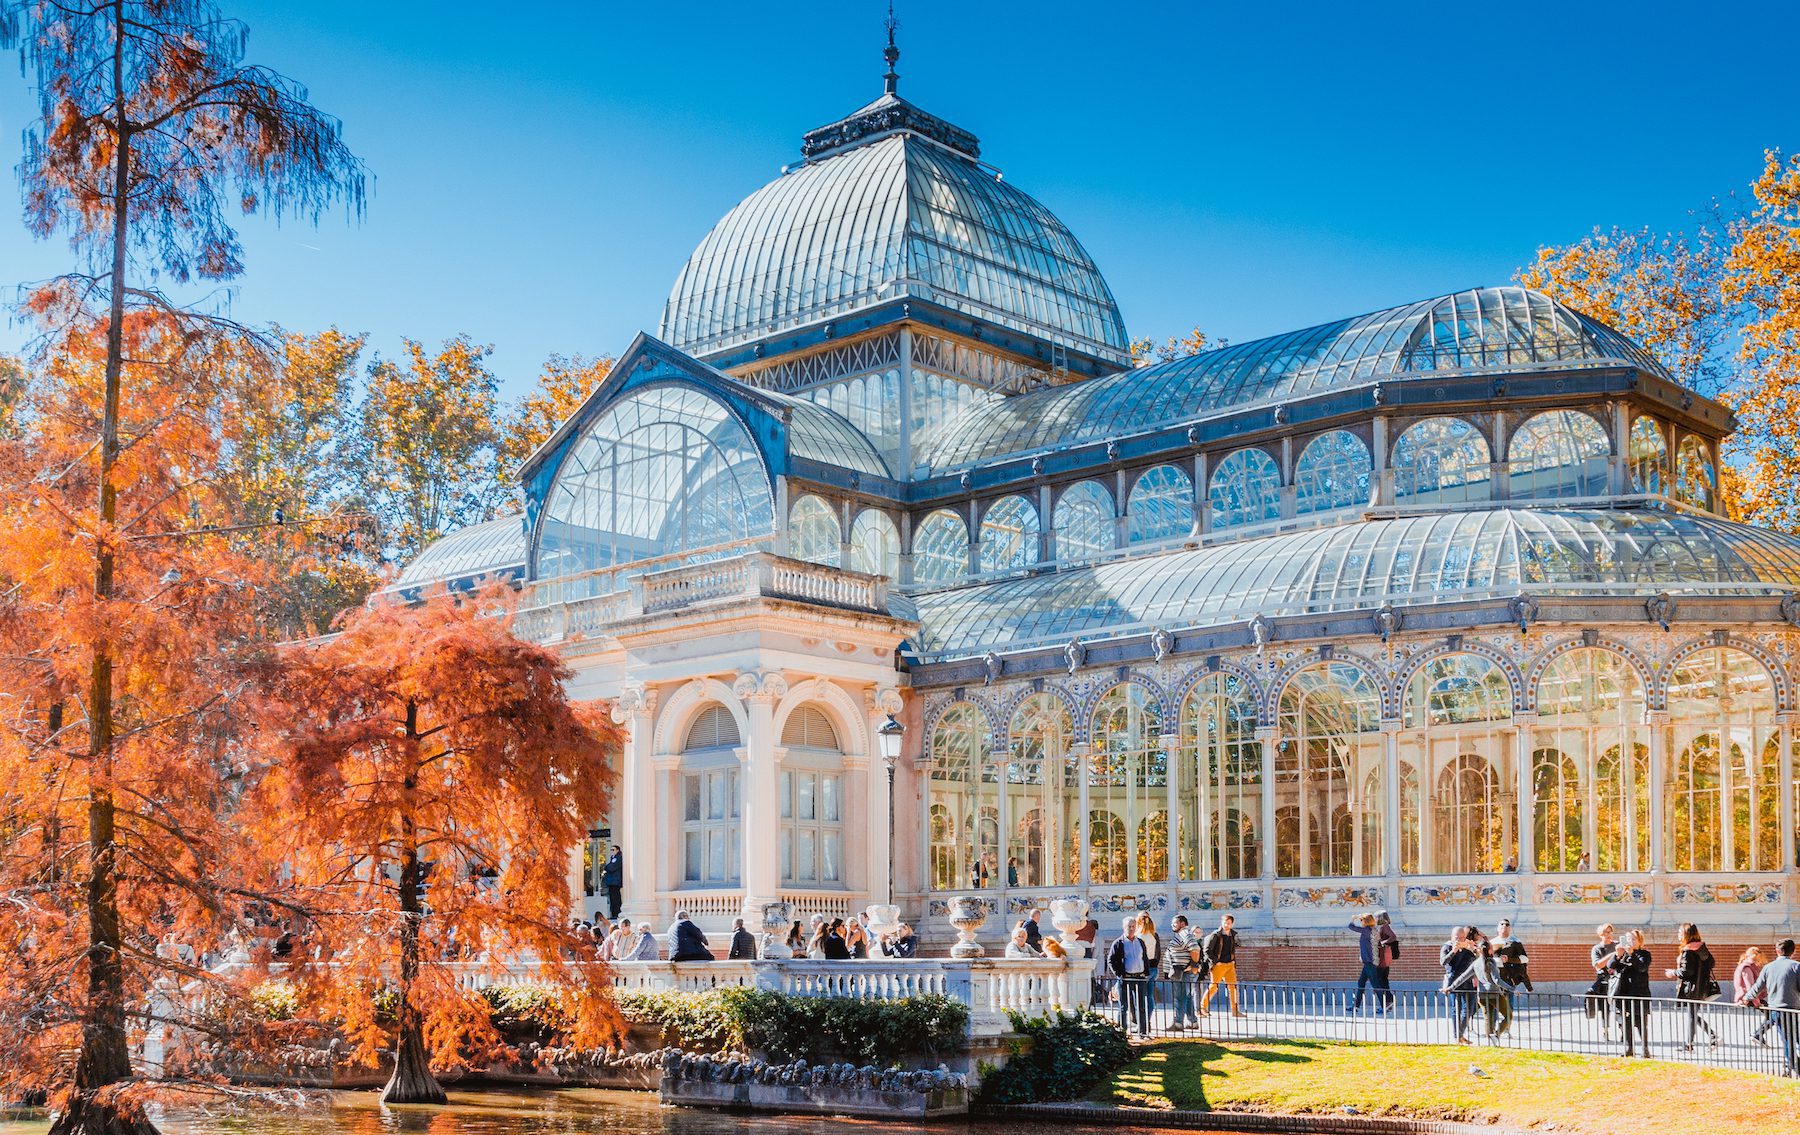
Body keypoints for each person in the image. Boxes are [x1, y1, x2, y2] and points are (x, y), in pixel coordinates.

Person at [1740, 938, 1800, 1076]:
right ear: (1793, 951)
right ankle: (1794, 1067)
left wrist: (1746, 998)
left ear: (1777, 951)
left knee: (1787, 1041)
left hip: (1776, 1010)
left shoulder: (1769, 967)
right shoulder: (1796, 966)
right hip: (1794, 1009)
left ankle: (1792, 1067)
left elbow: (1757, 987)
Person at [1666, 922, 1720, 1050]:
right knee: (1693, 1014)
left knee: (1692, 1015)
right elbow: (1711, 964)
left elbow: (1686, 971)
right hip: (1702, 987)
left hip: (1691, 988)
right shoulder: (1703, 949)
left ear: (1686, 934)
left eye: (1680, 932)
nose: (1678, 935)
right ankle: (1711, 1037)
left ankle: (1690, 1044)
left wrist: (1672, 972)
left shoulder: (1688, 951)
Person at [1605, 928, 1653, 1057]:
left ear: (1639, 941)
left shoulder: (1644, 954)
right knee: (1626, 1023)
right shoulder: (1621, 954)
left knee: (1641, 1023)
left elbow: (1642, 967)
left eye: (1633, 939)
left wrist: (1632, 954)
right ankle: (1628, 1048)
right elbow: (1610, 966)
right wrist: (1617, 955)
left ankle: (1645, 1049)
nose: (1630, 942)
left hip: (1639, 993)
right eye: (1628, 939)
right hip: (1623, 993)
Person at [1107, 915, 1150, 1036]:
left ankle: (1143, 1031)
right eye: (1128, 927)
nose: (1131, 929)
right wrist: (1119, 974)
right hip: (1125, 978)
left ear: (1136, 927)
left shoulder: (1140, 942)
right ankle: (1122, 1032)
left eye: (1133, 926)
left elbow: (1144, 957)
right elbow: (1111, 960)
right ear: (1124, 927)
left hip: (1139, 977)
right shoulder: (1118, 943)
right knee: (1123, 1006)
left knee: (1141, 1006)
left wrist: (1146, 972)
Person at [1441, 926, 1480, 1044]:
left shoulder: (1468, 946)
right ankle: (1457, 1036)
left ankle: (1460, 1035)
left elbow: (1478, 960)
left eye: (1463, 937)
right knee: (1456, 1009)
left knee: (1469, 1008)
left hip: (1468, 981)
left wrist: (1473, 949)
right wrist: (1453, 951)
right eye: (1458, 938)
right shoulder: (1447, 946)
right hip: (1453, 981)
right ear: (1452, 937)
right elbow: (1443, 962)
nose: (1461, 940)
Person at [1199, 914, 1243, 1018]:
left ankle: (1235, 1010)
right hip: (1219, 965)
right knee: (1214, 986)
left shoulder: (1232, 934)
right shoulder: (1215, 935)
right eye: (1224, 922)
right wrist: (1215, 961)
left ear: (1232, 924)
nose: (1226, 925)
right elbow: (1206, 950)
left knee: (1233, 987)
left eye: (1228, 923)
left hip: (1230, 965)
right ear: (1221, 922)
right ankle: (1202, 1008)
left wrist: (1233, 961)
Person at [1166, 915, 1203, 1030]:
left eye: (1175, 923)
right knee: (1186, 997)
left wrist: (1193, 965)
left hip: (1183, 972)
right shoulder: (1183, 934)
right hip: (1181, 971)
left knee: (1179, 997)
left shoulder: (1184, 933)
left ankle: (1178, 1023)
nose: (1172, 925)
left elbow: (1195, 949)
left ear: (1182, 923)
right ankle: (1192, 1021)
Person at [1474, 934, 1513, 1039]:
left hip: (1481, 995)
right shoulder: (1491, 962)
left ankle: (1490, 1041)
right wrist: (1511, 988)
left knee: (1488, 1019)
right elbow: (1497, 980)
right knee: (1508, 1016)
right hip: (1495, 994)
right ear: (1490, 951)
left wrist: (1450, 987)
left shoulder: (1476, 963)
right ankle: (1496, 1035)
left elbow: (1464, 976)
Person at [1735, 946, 1776, 1047]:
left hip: (1750, 997)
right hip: (1750, 998)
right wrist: (1757, 1002)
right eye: (1759, 958)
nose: (1760, 961)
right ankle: (1757, 1034)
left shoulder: (1747, 966)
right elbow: (1750, 987)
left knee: (1772, 1016)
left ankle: (1759, 1035)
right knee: (1773, 1016)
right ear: (1755, 956)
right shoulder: (1747, 967)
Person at [1586, 923, 1619, 1035]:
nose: (1609, 934)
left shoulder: (1618, 945)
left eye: (1610, 932)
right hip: (1603, 980)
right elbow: (1597, 965)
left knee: (1620, 1005)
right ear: (1600, 934)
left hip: (1617, 979)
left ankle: (1623, 1029)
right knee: (1604, 1006)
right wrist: (1612, 955)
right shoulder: (1597, 948)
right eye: (1606, 932)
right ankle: (1605, 1029)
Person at [1350, 913, 1381, 1014]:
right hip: (1370, 961)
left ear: (1366, 921)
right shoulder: (1373, 930)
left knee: (1375, 984)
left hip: (1369, 962)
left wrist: (1353, 918)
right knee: (1361, 983)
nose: (1361, 922)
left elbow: (1351, 927)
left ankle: (1385, 1005)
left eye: (1362, 920)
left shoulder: (1366, 930)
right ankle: (1356, 1006)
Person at [1491, 919, 1532, 993]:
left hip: (1510, 977)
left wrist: (1508, 959)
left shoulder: (1516, 941)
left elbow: (1525, 959)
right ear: (1498, 928)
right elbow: (1487, 959)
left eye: (1507, 924)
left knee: (1509, 1002)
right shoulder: (1492, 942)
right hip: (1495, 977)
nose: (1504, 925)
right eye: (1502, 924)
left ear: (1510, 929)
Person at [1374, 910, 1399, 1014]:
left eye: (1376, 917)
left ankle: (1387, 1002)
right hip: (1385, 958)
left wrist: (1382, 942)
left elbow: (1393, 937)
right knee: (1384, 980)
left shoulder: (1384, 927)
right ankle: (1388, 1002)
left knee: (1380, 981)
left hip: (1383, 958)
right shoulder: (1385, 926)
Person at [600, 845, 623, 920]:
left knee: (615, 898)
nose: (612, 851)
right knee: (613, 899)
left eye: (613, 850)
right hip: (612, 882)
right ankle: (614, 913)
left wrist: (606, 867)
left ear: (617, 850)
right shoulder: (614, 858)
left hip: (615, 882)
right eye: (611, 850)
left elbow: (611, 867)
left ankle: (616, 913)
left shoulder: (618, 858)